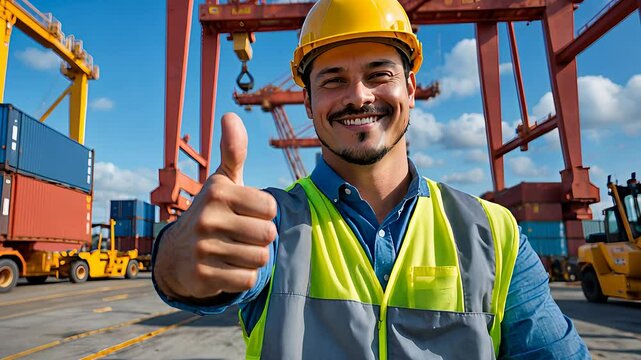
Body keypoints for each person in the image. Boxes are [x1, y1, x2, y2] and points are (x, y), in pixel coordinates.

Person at [153, 0, 590, 358]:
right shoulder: (271, 223)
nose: (359, 95)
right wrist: (176, 262)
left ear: (411, 88)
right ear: (307, 103)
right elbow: (196, 276)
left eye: (379, 75)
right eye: (333, 79)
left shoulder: (495, 234)